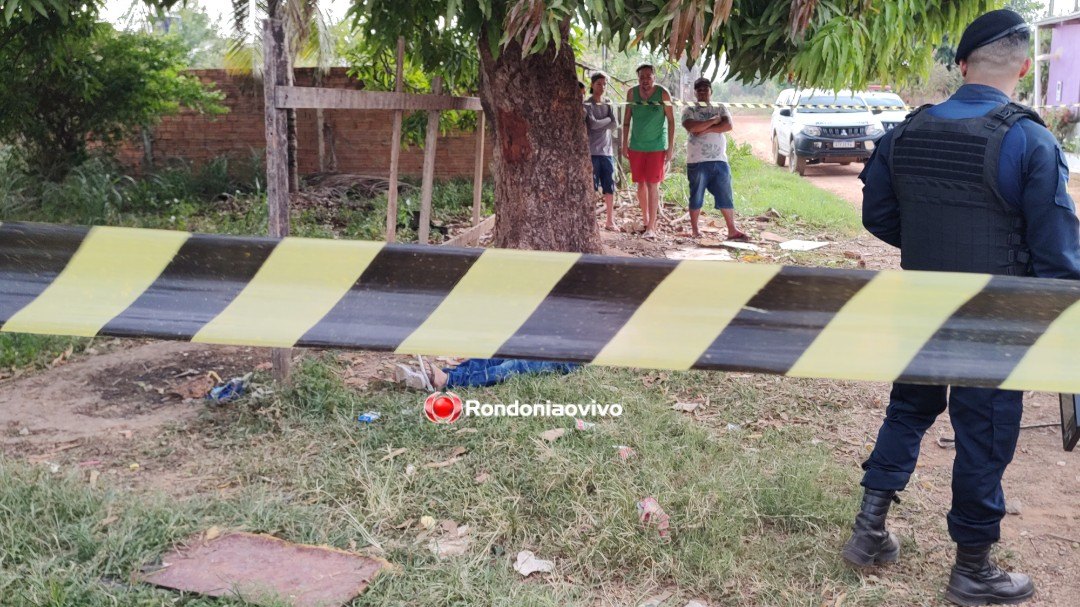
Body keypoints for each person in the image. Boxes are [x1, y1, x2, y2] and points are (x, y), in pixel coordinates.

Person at [845, 9, 1080, 607]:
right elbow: (1057, 253)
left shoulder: (908, 131)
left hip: (922, 303)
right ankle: (972, 569)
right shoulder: (1030, 140)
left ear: (963, 66)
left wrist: (930, 252)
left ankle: (868, 533)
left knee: (909, 409)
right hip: (994, 318)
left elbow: (878, 216)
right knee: (985, 432)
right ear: (1024, 68)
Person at [680, 77, 746, 240]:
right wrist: (713, 121)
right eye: (699, 89)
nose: (702, 92)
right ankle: (695, 230)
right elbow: (691, 127)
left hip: (719, 159)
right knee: (696, 195)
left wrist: (705, 129)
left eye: (706, 89)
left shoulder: (720, 107)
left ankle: (732, 229)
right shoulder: (689, 110)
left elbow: (728, 126)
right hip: (697, 160)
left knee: (725, 194)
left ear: (711, 91)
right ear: (695, 92)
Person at [622, 64, 674, 238]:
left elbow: (671, 121)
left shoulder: (663, 93)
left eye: (648, 76)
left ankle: (652, 226)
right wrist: (624, 143)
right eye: (642, 77)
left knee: (653, 184)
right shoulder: (632, 93)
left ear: (654, 77)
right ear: (638, 78)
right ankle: (645, 219)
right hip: (636, 146)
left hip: (657, 146)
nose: (645, 80)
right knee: (640, 184)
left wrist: (670, 147)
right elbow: (627, 120)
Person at [396, 356, 579, 390]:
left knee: (514, 365)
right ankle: (432, 376)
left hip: (568, 357)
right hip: (553, 342)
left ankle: (447, 380)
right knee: (496, 357)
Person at [585, 72, 619, 231]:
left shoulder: (608, 103)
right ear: (592, 85)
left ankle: (610, 221)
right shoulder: (587, 104)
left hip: (607, 153)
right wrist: (606, 121)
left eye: (605, 84)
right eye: (599, 84)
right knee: (591, 187)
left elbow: (615, 124)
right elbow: (592, 124)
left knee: (609, 187)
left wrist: (602, 122)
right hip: (591, 152)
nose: (602, 87)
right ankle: (592, 221)